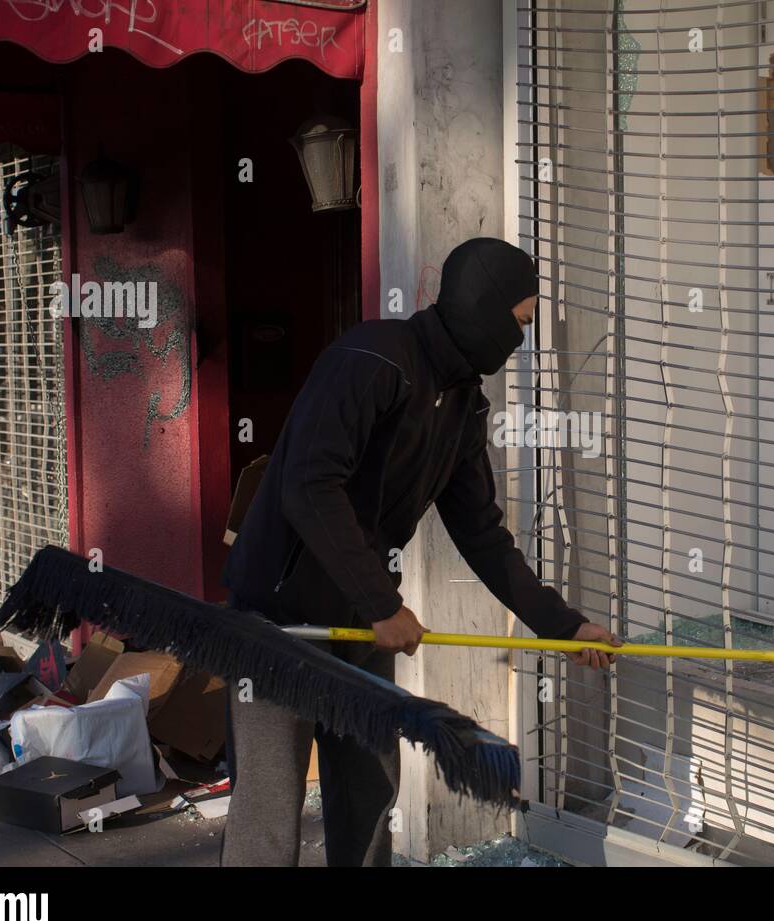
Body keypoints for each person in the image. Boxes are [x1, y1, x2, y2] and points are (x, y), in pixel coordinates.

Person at [220, 237, 621, 866]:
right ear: (482, 308)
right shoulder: (372, 360)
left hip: (358, 620)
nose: (519, 340)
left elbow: (482, 533)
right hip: (279, 617)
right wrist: (382, 602)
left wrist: (563, 626)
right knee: (270, 809)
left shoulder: (463, 405)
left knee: (370, 792)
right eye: (518, 322)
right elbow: (309, 485)